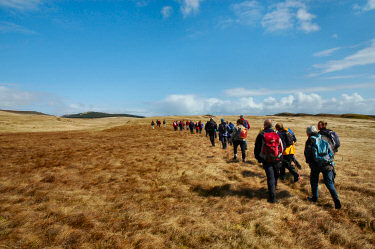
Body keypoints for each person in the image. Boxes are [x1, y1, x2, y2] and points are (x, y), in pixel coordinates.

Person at [304, 125, 341, 209]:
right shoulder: (325, 138)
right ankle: (336, 200)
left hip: (315, 165)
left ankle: (314, 198)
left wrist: (309, 162)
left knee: (314, 181)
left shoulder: (310, 140)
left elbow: (307, 153)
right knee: (329, 183)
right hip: (327, 164)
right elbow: (331, 150)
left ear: (308, 133)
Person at [254, 119, 283, 203]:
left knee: (270, 177)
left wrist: (259, 158)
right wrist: (280, 157)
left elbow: (257, 148)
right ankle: (273, 189)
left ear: (265, 125)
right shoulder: (278, 134)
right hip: (277, 159)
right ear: (272, 125)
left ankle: (272, 197)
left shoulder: (261, 134)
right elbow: (282, 146)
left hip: (266, 160)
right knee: (275, 175)